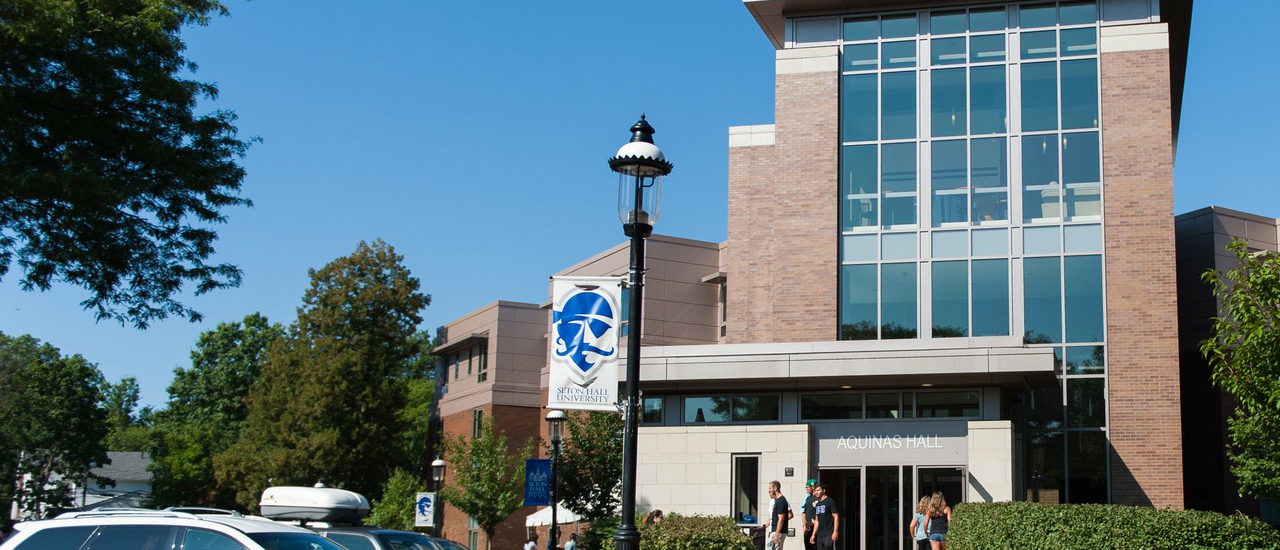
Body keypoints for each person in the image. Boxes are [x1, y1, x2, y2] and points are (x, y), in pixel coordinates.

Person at [808, 483, 839, 550]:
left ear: (823, 490)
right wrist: (813, 535)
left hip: (829, 533)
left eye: (818, 490)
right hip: (820, 535)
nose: (816, 492)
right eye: (815, 490)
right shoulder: (817, 504)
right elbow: (817, 521)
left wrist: (835, 531)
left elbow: (836, 516)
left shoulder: (829, 501)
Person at [765, 480, 791, 550]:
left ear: (775, 488)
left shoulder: (781, 501)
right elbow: (772, 517)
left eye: (770, 488)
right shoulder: (777, 501)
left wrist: (776, 534)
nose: (768, 490)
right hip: (775, 531)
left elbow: (781, 519)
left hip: (778, 532)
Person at [800, 479, 817, 550]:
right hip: (808, 527)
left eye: (807, 487)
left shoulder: (818, 499)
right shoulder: (807, 498)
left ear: (813, 487)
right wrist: (804, 525)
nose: (806, 489)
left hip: (816, 527)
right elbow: (803, 512)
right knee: (808, 545)